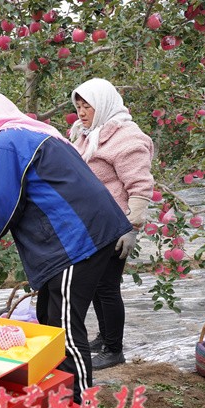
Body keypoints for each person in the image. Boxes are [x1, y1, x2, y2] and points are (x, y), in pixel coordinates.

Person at [0, 89, 132, 408]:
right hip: (83, 235)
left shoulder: (5, 143)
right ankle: (56, 396)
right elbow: (25, 195)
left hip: (76, 241)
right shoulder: (35, 133)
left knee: (65, 329)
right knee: (50, 318)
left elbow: (3, 201)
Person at [69, 78, 155, 371]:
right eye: (78, 106)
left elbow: (141, 185)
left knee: (107, 287)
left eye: (87, 106)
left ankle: (114, 349)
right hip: (93, 224)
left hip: (114, 225)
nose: (81, 112)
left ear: (103, 105)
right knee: (95, 286)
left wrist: (133, 226)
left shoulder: (127, 138)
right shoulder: (88, 134)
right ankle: (104, 337)